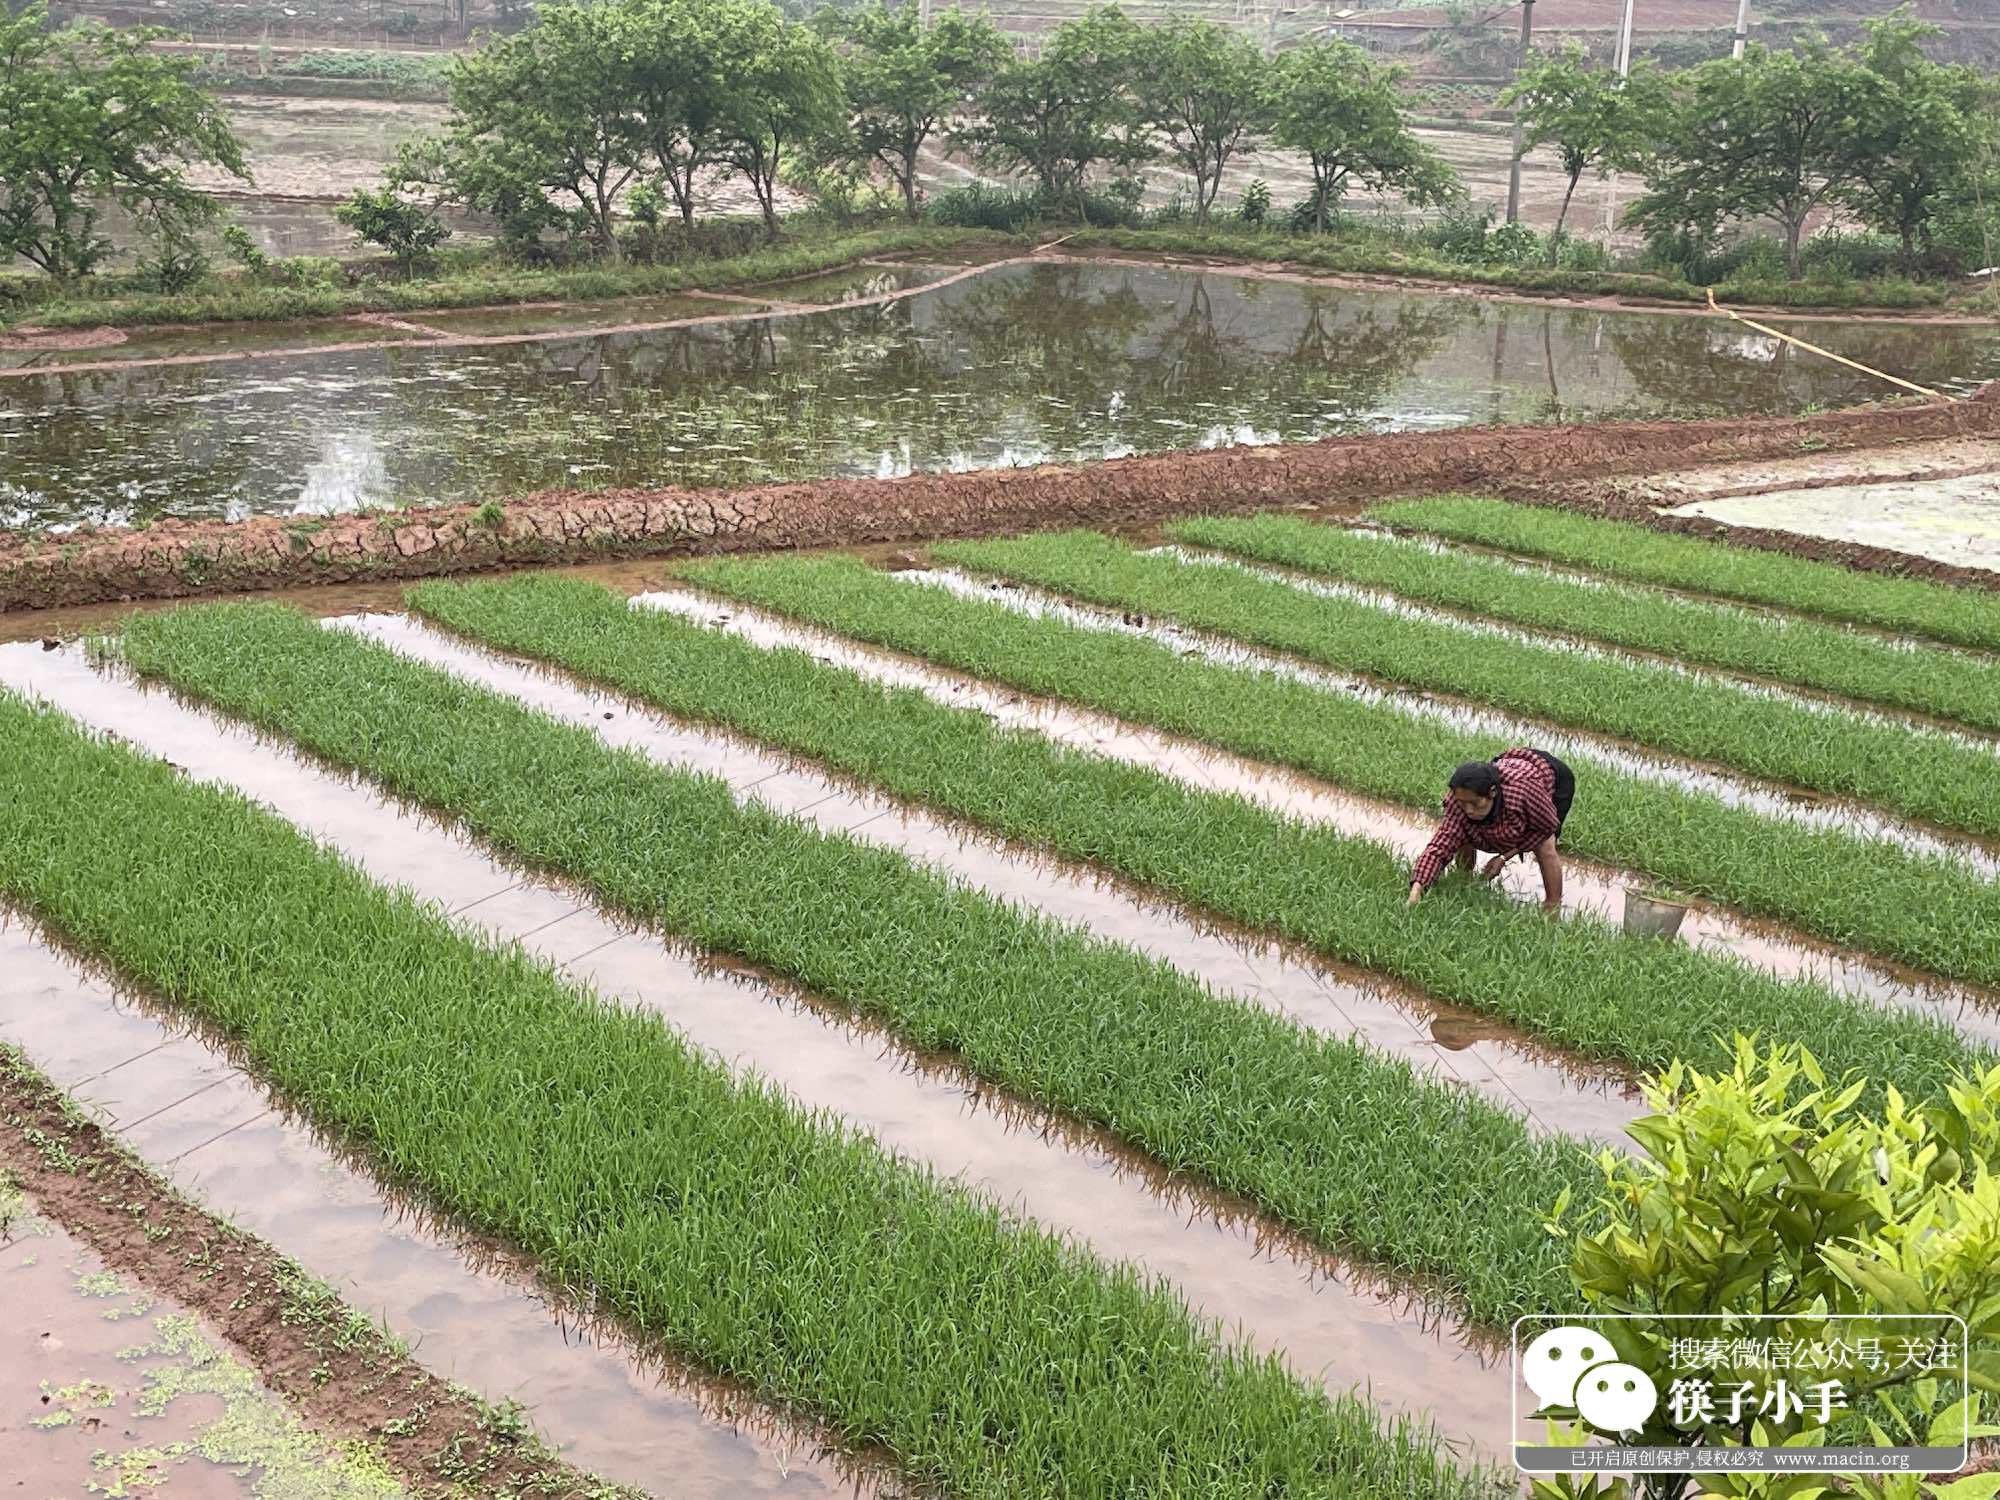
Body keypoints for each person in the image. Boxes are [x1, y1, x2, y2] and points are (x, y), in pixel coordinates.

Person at [1405, 748, 1574, 913]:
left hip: (1552, 775)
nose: (1469, 810)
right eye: (1464, 804)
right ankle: (1465, 878)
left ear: (1492, 793)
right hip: (1512, 763)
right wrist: (1416, 890)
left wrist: (1504, 856)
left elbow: (1546, 827)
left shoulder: (1521, 794)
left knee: (1545, 845)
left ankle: (1552, 905)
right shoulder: (1458, 801)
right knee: (1461, 830)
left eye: (1475, 804)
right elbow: (1439, 847)